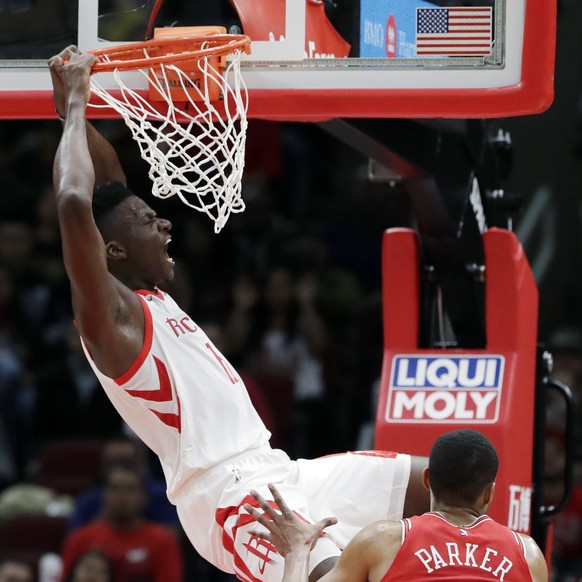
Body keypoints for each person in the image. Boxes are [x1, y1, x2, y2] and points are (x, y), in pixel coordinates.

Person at [49, 45, 429, 582]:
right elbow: (72, 203)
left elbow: (103, 186)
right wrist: (83, 95)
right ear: (111, 252)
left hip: (278, 468)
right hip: (226, 495)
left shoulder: (146, 292)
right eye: (148, 221)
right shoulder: (113, 319)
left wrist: (70, 112)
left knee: (441, 478)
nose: (166, 225)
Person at [245, 430, 549, 582]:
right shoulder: (529, 555)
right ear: (489, 493)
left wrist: (297, 551)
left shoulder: (383, 540)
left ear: (427, 480)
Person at [60, 465, 183, 582]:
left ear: (144, 497)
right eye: (115, 488)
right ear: (104, 494)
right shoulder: (80, 539)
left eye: (130, 489)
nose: (122, 496)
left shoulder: (163, 540)